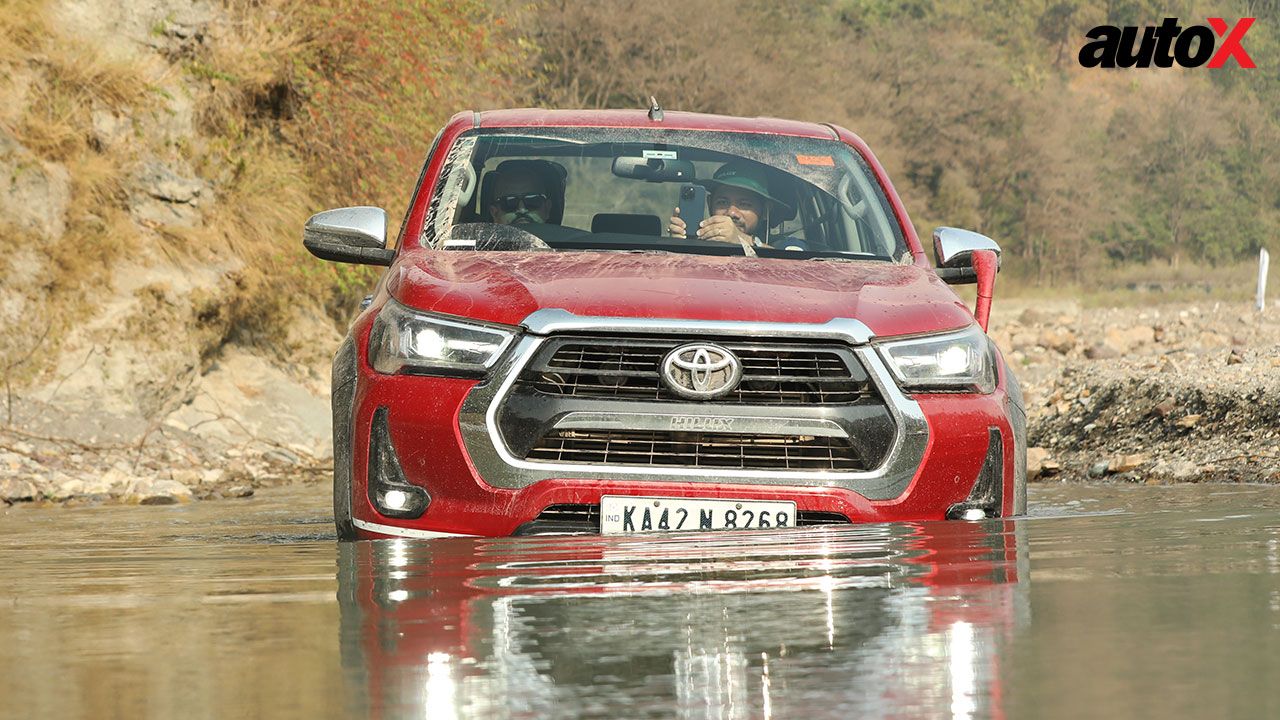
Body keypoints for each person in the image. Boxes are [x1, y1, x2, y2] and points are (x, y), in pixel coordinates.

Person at [667, 160, 791, 248]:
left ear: (765, 210)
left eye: (745, 204)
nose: (731, 212)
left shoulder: (785, 246)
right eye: (722, 202)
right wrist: (680, 247)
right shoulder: (700, 241)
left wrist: (743, 240)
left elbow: (793, 272)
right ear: (710, 204)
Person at [485, 159, 566, 226]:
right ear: (494, 213)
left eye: (532, 201)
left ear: (547, 209)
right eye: (510, 203)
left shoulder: (571, 244)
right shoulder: (478, 244)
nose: (522, 210)